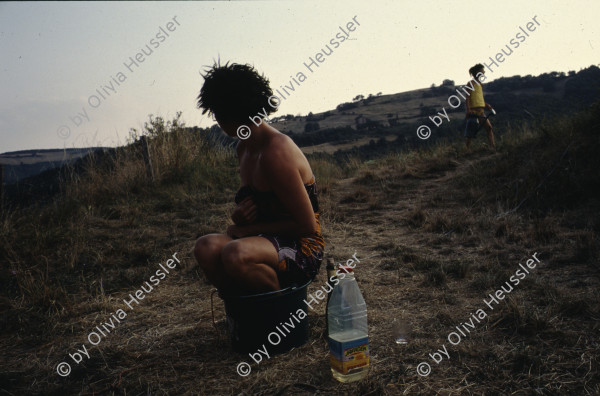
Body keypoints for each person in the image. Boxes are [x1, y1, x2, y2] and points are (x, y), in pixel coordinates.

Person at [193, 62, 325, 294]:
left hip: (303, 248)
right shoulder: (244, 149)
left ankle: (279, 316)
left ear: (233, 112)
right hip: (267, 240)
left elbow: (307, 226)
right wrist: (241, 218)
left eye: (218, 114)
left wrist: (246, 232)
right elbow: (257, 210)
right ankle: (244, 314)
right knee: (205, 247)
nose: (217, 121)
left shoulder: (276, 151)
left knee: (235, 253)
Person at [465, 64, 496, 152]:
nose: (484, 72)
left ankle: (492, 147)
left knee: (489, 128)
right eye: (482, 71)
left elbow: (479, 98)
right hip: (473, 112)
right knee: (471, 132)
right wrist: (468, 110)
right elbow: (467, 97)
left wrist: (486, 105)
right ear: (478, 72)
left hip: (481, 111)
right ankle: (467, 149)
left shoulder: (480, 84)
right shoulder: (471, 83)